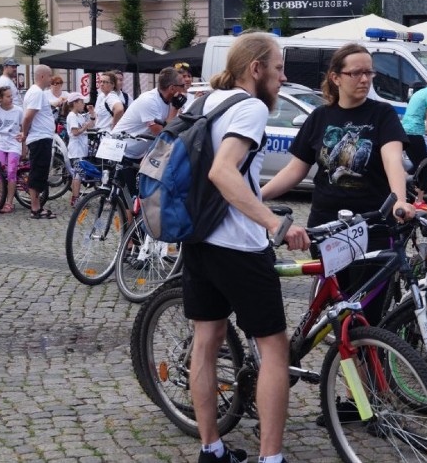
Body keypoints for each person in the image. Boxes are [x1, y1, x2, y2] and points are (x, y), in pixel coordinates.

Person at [184, 32, 309, 463]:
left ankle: (211, 450)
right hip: (238, 245)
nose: (283, 77)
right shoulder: (250, 107)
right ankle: (271, 458)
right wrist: (273, 221)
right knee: (274, 349)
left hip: (198, 240)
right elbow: (223, 172)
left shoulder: (202, 101)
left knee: (205, 341)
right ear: (255, 69)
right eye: (277, 68)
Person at [262, 43, 415, 318]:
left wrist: (399, 201)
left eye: (369, 72)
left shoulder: (382, 114)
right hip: (327, 228)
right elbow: (295, 171)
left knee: (369, 312)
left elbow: (393, 158)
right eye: (356, 73)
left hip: (372, 227)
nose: (365, 79)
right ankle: (340, 359)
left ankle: (369, 357)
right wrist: (255, 196)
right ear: (336, 77)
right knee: (339, 311)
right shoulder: (320, 116)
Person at [111, 67, 185, 198]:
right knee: (130, 198)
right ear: (172, 88)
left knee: (143, 195)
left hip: (138, 152)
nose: (186, 89)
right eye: (182, 86)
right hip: (122, 150)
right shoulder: (150, 100)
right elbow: (162, 134)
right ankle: (128, 218)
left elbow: (173, 127)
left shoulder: (168, 101)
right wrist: (175, 109)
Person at [21, 64, 58, 219]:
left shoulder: (36, 92)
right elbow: (28, 116)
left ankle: (37, 206)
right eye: (50, 76)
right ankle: (35, 208)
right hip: (39, 138)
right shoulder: (36, 93)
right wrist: (24, 133)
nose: (51, 79)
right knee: (38, 172)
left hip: (41, 137)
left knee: (40, 171)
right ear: (42, 76)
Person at [0, 86, 25, 214]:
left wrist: (24, 147)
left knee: (11, 171)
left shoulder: (18, 111)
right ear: (0, 98)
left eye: (11, 96)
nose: (11, 98)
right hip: (0, 143)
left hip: (14, 142)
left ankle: (9, 202)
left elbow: (23, 129)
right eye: (8, 96)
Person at [63, 92, 95, 205]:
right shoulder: (72, 116)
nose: (83, 104)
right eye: (81, 102)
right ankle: (75, 199)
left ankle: (76, 197)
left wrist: (92, 113)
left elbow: (91, 125)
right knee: (78, 175)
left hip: (81, 149)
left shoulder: (79, 116)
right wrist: (85, 127)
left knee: (79, 174)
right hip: (76, 150)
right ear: (75, 103)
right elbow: (75, 132)